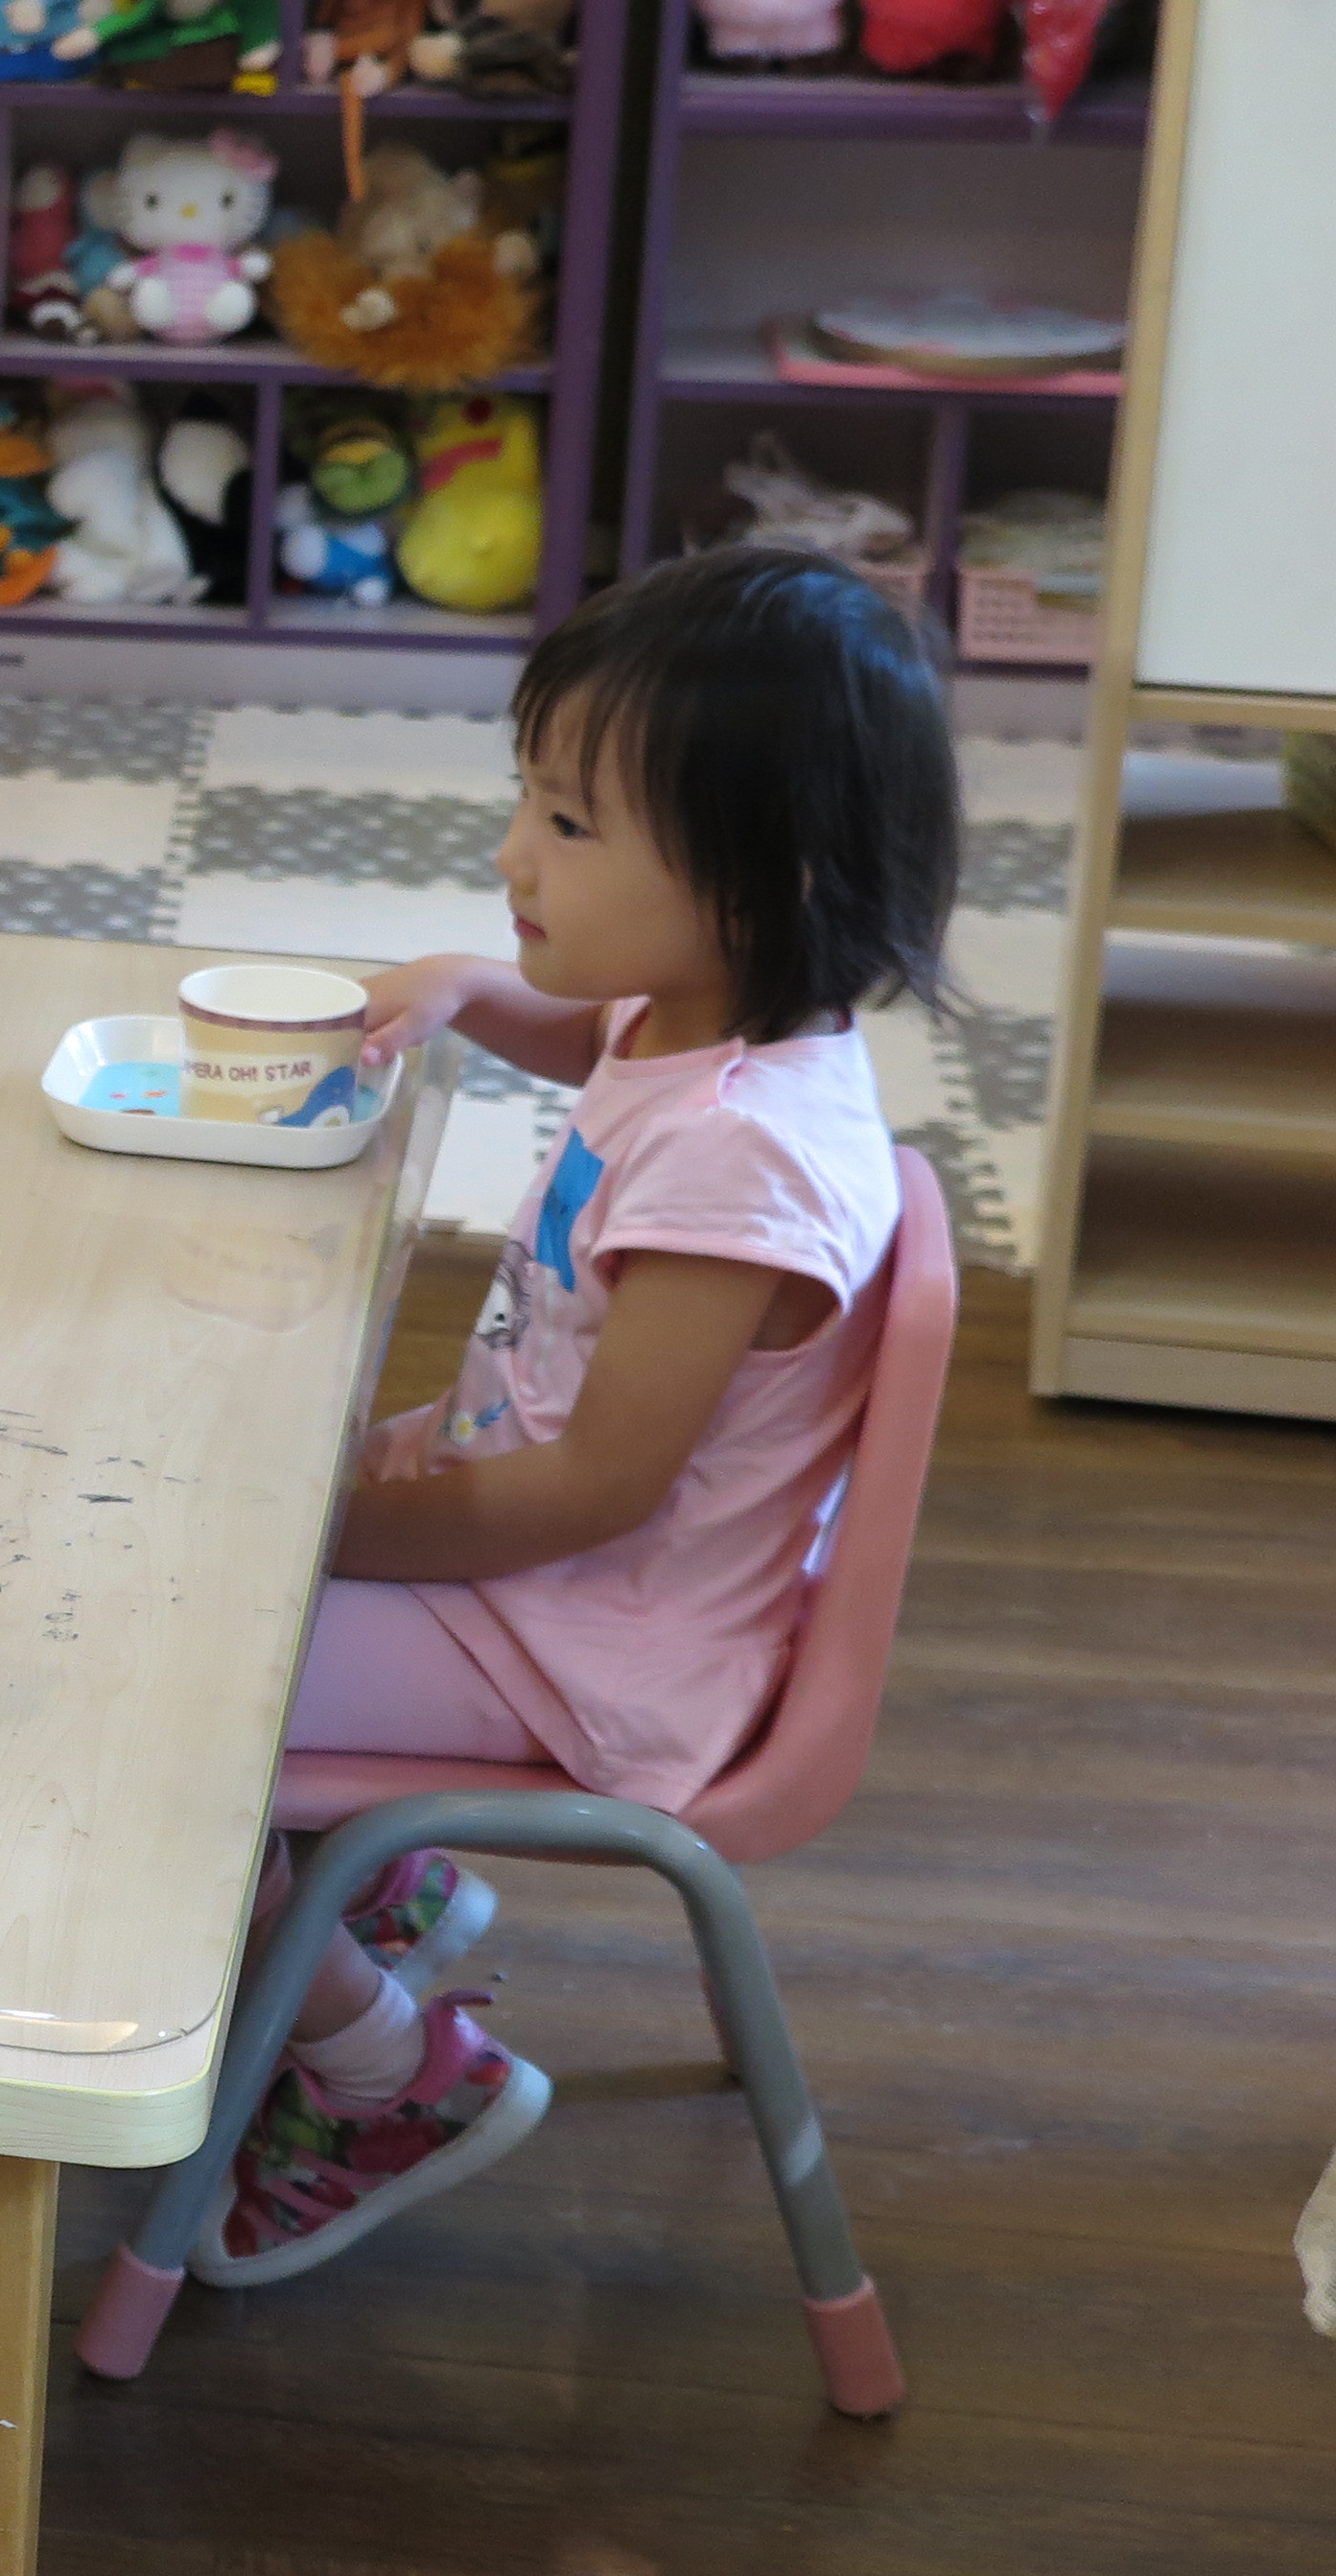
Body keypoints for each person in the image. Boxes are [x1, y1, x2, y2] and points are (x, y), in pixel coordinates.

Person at [197, 545, 962, 2287]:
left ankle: (392, 2070)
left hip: (575, 1633)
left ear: (767, 879)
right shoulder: (711, 1017)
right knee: (214, 1576)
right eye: (526, 799)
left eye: (567, 823)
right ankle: (364, 1895)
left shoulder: (742, 1164)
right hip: (542, 1575)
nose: (511, 852)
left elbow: (585, 1494)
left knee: (159, 1693)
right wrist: (480, 988)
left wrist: (302, 1516)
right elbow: (592, 1033)